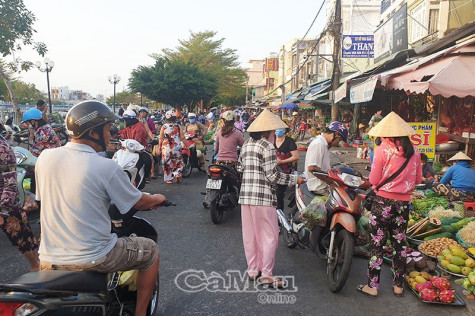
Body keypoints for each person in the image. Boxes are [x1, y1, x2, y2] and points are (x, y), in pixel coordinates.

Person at [35, 101, 166, 316]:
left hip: (49, 259)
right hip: (94, 257)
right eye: (106, 130)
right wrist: (158, 198)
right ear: (93, 132)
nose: (109, 135)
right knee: (151, 251)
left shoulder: (46, 157)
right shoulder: (105, 166)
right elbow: (139, 202)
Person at [357, 111, 421, 298]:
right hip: (403, 204)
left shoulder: (382, 150)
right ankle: (398, 286)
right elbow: (417, 179)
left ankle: (373, 286)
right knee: (399, 244)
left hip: (382, 202)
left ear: (386, 133)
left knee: (377, 243)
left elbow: (374, 179)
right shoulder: (414, 151)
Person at [238, 109, 306, 287]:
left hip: (245, 197)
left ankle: (253, 270)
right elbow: (273, 176)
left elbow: (240, 168)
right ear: (268, 131)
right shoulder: (267, 146)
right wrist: (294, 179)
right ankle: (267, 273)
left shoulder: (246, 144)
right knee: (269, 235)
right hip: (263, 197)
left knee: (250, 235)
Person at [0, 134, 40, 271]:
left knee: (22, 240)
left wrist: (2, 211)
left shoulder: (3, 148)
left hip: (6, 204)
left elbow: (10, 184)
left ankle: (37, 266)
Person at [304, 121, 349, 195]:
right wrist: (330, 182)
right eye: (339, 140)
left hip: (322, 184)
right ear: (336, 134)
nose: (338, 143)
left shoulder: (324, 144)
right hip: (319, 186)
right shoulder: (319, 144)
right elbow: (312, 168)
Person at [119, 110, 154, 181]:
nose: (124, 122)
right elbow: (122, 137)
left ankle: (146, 177)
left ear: (131, 120)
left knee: (147, 160)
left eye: (126, 120)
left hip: (140, 149)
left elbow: (138, 141)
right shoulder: (126, 127)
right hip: (128, 150)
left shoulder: (139, 127)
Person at [158, 110, 187, 184]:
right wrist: (187, 146)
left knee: (166, 162)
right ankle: (177, 173)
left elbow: (161, 138)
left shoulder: (164, 127)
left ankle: (169, 179)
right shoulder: (178, 126)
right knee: (178, 161)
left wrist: (159, 147)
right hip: (176, 146)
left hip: (166, 147)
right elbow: (182, 137)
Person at [274, 128, 299, 211]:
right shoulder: (271, 140)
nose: (278, 130)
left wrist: (282, 161)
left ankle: (279, 219)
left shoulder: (289, 141)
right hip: (271, 171)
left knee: (279, 196)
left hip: (284, 172)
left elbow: (296, 156)